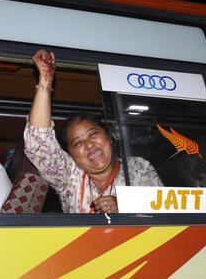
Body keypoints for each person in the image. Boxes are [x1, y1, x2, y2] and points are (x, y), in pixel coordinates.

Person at [24, 50, 163, 214]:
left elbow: (165, 212)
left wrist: (124, 208)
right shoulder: (69, 176)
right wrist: (46, 79)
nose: (89, 145)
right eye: (77, 143)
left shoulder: (139, 167)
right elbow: (38, 140)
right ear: (70, 155)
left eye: (93, 134)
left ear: (109, 137)